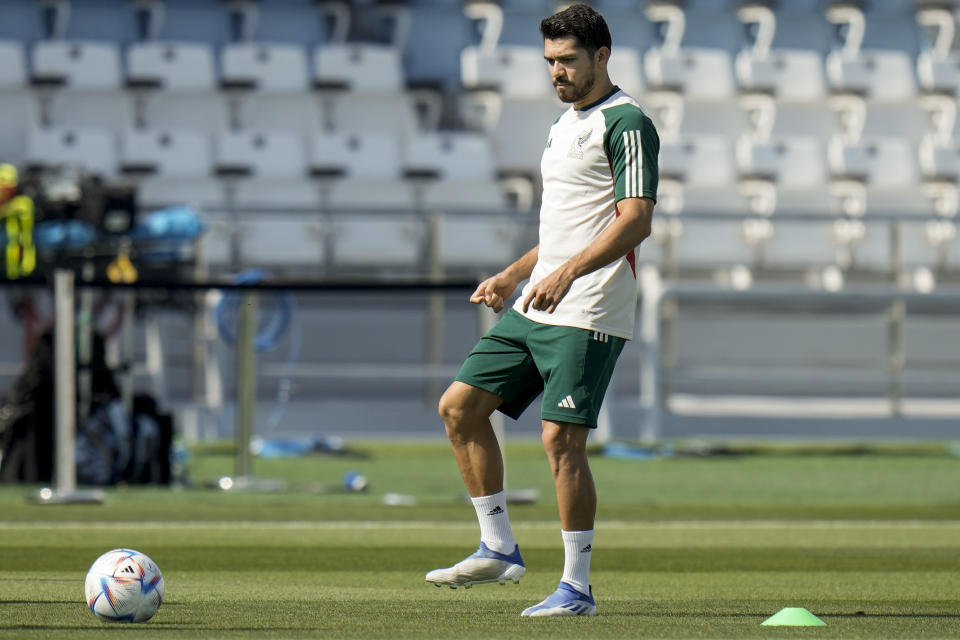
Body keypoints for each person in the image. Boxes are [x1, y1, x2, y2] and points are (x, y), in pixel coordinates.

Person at [425, 3, 659, 618]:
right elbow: (565, 228)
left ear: (601, 56)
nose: (556, 72)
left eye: (568, 60)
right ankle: (498, 547)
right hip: (540, 300)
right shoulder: (563, 124)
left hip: (590, 308)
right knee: (459, 407)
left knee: (560, 440)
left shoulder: (627, 122)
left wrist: (568, 273)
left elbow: (635, 221)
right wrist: (513, 273)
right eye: (550, 62)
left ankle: (576, 589)